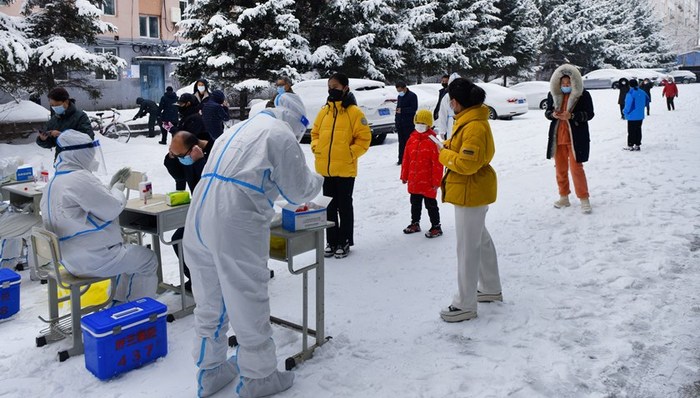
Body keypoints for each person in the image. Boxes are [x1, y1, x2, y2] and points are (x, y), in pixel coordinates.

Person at [183, 93, 322, 398]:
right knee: (247, 298)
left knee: (209, 299)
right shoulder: (280, 135)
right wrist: (318, 180)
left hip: (200, 213)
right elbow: (298, 191)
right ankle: (259, 378)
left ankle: (210, 370)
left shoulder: (235, 129)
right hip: (233, 219)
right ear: (295, 122)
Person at [40, 129, 157, 303]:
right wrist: (117, 190)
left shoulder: (55, 181)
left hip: (70, 258)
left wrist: (107, 191)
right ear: (80, 154)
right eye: (90, 153)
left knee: (129, 256)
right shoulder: (79, 178)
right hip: (93, 259)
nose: (92, 158)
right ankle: (138, 311)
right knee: (148, 259)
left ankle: (119, 302)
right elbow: (112, 208)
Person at [431, 78, 501, 323]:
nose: (449, 104)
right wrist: (448, 145)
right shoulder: (469, 121)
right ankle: (490, 287)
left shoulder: (474, 126)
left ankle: (465, 304)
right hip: (471, 191)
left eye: (451, 100)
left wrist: (443, 154)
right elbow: (465, 151)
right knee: (480, 240)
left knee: (467, 249)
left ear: (457, 102)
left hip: (470, 191)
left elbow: (467, 163)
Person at [310, 73, 372, 259]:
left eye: (335, 87)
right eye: (330, 87)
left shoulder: (355, 113)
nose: (331, 90)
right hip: (325, 169)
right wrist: (316, 148)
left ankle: (344, 240)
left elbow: (364, 139)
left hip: (345, 169)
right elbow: (315, 134)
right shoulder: (324, 112)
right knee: (328, 206)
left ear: (346, 88)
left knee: (344, 206)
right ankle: (332, 240)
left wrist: (349, 153)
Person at [545, 64, 595, 213]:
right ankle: (564, 197)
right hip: (558, 138)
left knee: (576, 169)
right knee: (560, 169)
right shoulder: (553, 95)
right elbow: (547, 112)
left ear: (574, 82)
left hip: (576, 139)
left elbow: (590, 114)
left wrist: (572, 116)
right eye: (563, 83)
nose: (565, 86)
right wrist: (552, 114)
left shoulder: (583, 95)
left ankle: (584, 199)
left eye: (568, 83)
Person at [400, 109, 443, 238]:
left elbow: (438, 163)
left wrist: (437, 181)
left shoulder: (434, 142)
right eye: (417, 122)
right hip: (414, 180)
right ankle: (415, 223)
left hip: (428, 181)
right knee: (415, 203)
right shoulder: (411, 139)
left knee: (431, 204)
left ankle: (436, 226)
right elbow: (406, 159)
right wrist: (404, 175)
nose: (419, 125)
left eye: (422, 123)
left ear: (429, 125)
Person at [36, 87, 93, 160]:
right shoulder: (54, 120)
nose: (54, 108)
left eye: (56, 105)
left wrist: (62, 135)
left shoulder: (80, 116)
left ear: (66, 102)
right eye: (52, 106)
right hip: (61, 162)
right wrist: (43, 139)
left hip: (79, 160)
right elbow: (51, 143)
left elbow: (87, 138)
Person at [166, 93, 205, 191]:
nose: (179, 107)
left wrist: (173, 130)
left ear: (188, 104)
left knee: (197, 188)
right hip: (186, 155)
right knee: (181, 179)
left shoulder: (195, 118)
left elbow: (187, 138)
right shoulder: (186, 117)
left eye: (181, 104)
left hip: (193, 156)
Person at [394, 81, 418, 165]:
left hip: (409, 123)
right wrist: (396, 121)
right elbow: (397, 110)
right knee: (401, 142)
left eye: (400, 90)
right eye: (398, 91)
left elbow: (414, 109)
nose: (399, 92)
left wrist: (403, 111)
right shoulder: (399, 97)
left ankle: (411, 158)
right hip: (400, 123)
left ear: (404, 88)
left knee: (409, 142)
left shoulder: (412, 96)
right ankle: (401, 159)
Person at [623, 78, 650, 151]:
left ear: (629, 85)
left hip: (632, 116)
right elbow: (648, 100)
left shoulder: (630, 93)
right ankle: (637, 145)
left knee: (631, 131)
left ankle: (630, 145)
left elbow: (628, 105)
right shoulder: (642, 92)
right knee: (638, 130)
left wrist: (625, 112)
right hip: (640, 115)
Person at [434, 73, 461, 140]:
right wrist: (442, 130)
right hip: (450, 124)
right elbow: (443, 113)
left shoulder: (466, 96)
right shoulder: (447, 97)